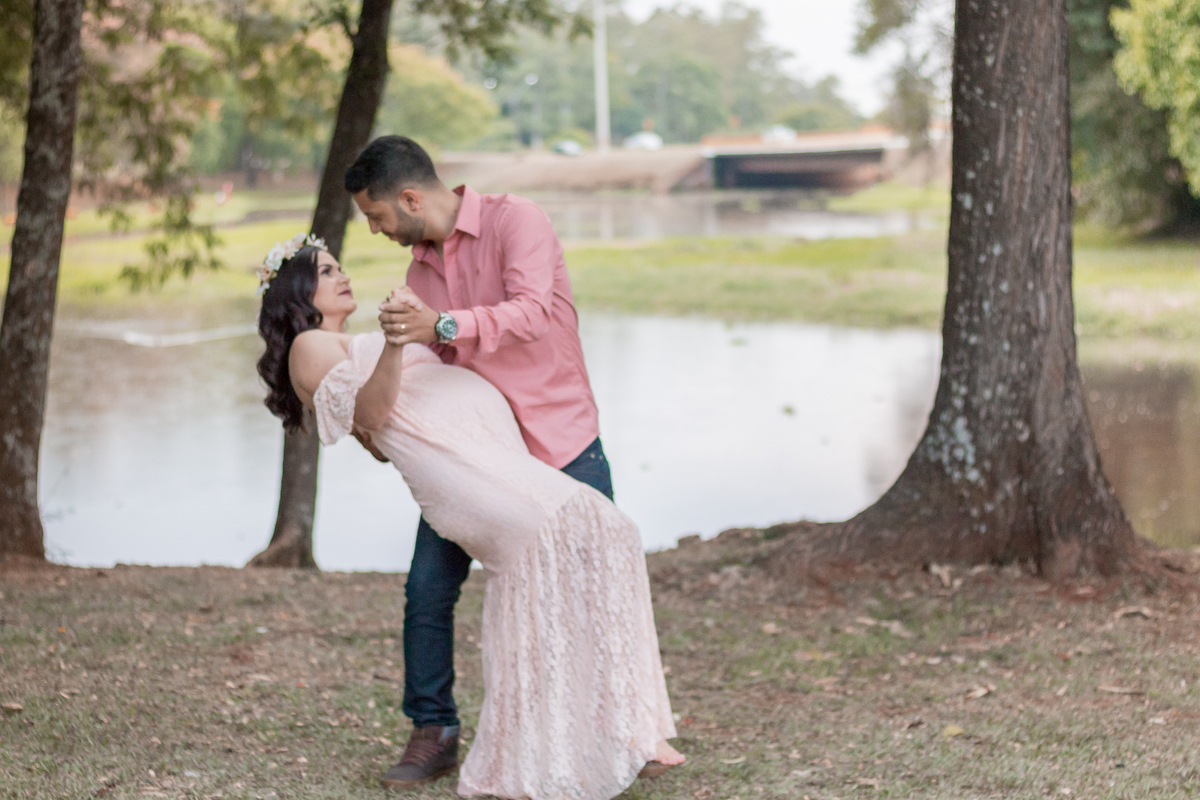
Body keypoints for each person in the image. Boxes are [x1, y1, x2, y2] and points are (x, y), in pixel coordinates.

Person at [254, 237, 684, 799]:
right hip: (465, 471)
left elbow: (376, 430)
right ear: (298, 291)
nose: (343, 276)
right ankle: (571, 739)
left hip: (488, 459)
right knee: (584, 539)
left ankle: (602, 733)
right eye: (327, 271)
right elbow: (375, 415)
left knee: (575, 552)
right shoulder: (309, 344)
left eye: (339, 267)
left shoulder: (337, 343)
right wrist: (395, 344)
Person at [342, 135, 627, 788]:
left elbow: (531, 314)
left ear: (410, 198)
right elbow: (437, 368)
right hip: (478, 459)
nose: (377, 230)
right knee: (427, 590)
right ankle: (433, 730)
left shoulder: (515, 220)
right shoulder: (420, 274)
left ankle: (615, 731)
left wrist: (441, 325)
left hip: (560, 441)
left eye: (377, 216)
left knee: (592, 592)